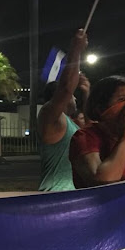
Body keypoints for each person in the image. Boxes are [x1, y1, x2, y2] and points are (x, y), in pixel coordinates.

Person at [37, 29, 88, 192]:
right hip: (56, 195)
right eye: (73, 95)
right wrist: (76, 50)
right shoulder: (49, 116)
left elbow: (91, 130)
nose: (75, 98)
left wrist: (87, 93)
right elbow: (66, 88)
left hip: (71, 195)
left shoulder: (69, 123)